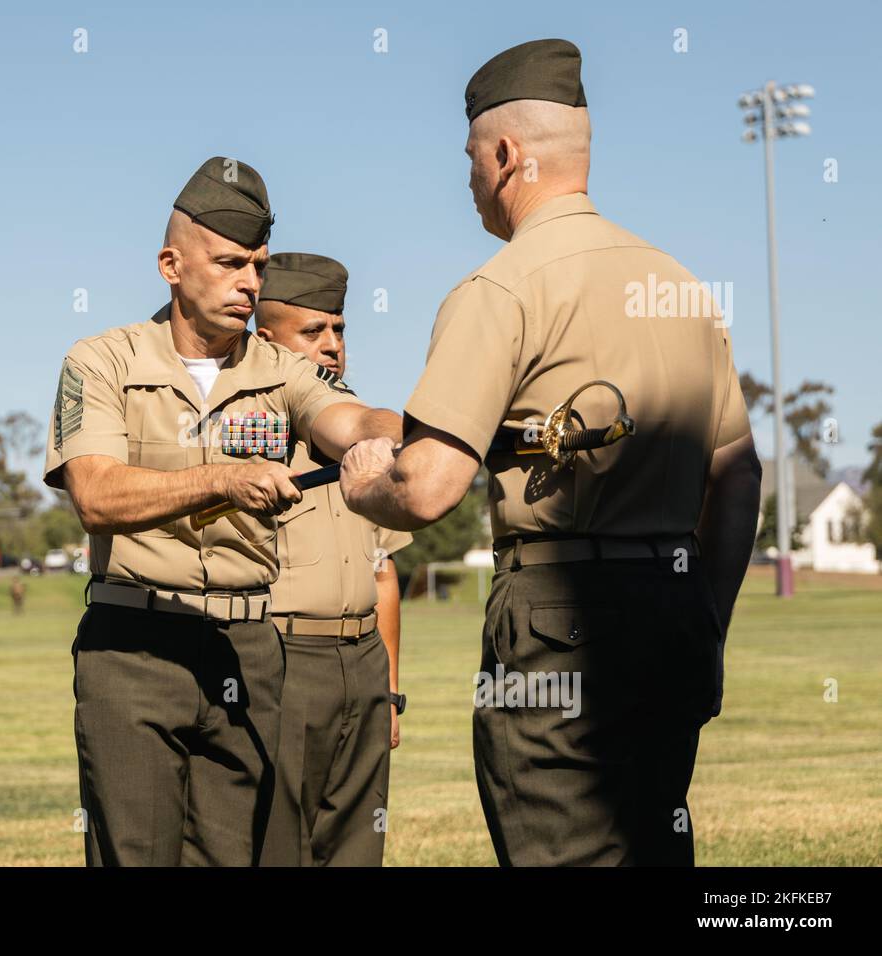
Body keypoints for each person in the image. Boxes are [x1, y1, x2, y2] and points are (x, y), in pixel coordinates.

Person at [340, 39, 762, 866]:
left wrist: (364, 488)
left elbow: (427, 489)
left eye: (469, 159)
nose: (467, 180)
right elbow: (738, 473)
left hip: (556, 616)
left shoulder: (499, 287)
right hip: (673, 607)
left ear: (504, 155)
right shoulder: (680, 285)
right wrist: (705, 623)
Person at [44, 156, 402, 866]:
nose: (249, 283)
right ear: (170, 265)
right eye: (231, 263)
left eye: (259, 267)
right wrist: (221, 480)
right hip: (135, 645)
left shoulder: (281, 371)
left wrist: (386, 437)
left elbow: (351, 417)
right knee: (137, 853)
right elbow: (96, 494)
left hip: (246, 650)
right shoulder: (102, 360)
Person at [250, 253, 413, 866]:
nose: (331, 346)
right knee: (276, 846)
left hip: (362, 663)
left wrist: (390, 691)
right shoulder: (246, 439)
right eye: (311, 332)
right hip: (285, 660)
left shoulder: (364, 439)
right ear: (266, 341)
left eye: (339, 329)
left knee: (356, 849)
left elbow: (384, 571)